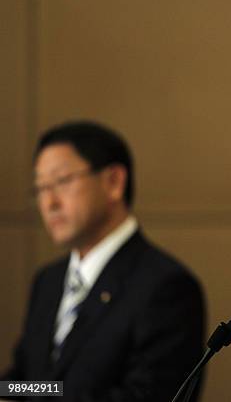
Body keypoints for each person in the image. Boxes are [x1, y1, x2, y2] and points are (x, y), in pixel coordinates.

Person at [1, 121, 205, 401]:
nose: (49, 203)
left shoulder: (166, 287)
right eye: (40, 188)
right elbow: (25, 381)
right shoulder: (48, 281)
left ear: (113, 182)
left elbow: (151, 396)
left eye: (61, 181)